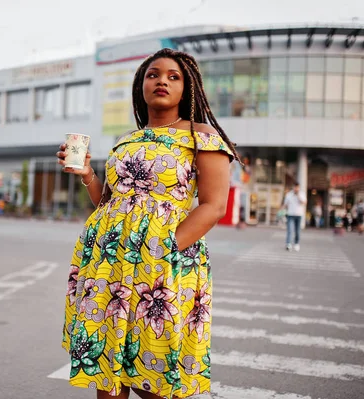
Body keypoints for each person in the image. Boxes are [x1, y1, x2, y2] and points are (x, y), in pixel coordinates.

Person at [57, 48, 237, 399]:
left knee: (152, 369)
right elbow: (109, 203)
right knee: (106, 363)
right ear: (141, 83)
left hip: (161, 264)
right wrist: (88, 174)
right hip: (109, 261)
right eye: (153, 74)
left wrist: (165, 248)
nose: (162, 81)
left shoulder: (201, 135)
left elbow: (214, 206)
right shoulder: (127, 139)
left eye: (173, 77)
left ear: (188, 88)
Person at [282, 183, 306, 251]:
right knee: (290, 230)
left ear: (299, 188)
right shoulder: (289, 194)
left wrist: (298, 196)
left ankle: (296, 243)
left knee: (297, 230)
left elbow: (304, 203)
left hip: (299, 215)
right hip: (290, 214)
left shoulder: (302, 194)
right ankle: (288, 244)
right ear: (293, 187)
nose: (296, 189)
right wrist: (282, 210)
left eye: (297, 187)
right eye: (295, 187)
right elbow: (285, 204)